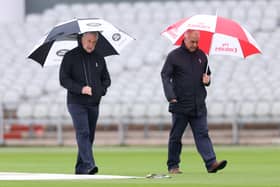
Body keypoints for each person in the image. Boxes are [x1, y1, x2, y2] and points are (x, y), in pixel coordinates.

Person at [161, 30, 227, 174]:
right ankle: (173, 166)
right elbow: (165, 75)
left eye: (197, 42)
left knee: (203, 134)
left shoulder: (202, 56)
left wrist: (208, 80)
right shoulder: (174, 56)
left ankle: (211, 163)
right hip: (180, 103)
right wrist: (170, 96)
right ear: (185, 39)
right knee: (176, 137)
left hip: (199, 104)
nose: (195, 44)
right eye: (192, 42)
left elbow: (207, 74)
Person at [59, 32, 111, 175]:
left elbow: (107, 80)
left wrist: (100, 91)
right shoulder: (70, 56)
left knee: (90, 136)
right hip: (76, 102)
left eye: (94, 42)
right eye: (88, 41)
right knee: (83, 133)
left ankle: (80, 168)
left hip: (94, 103)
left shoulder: (99, 57)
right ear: (81, 39)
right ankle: (89, 165)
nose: (91, 45)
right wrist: (81, 89)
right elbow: (63, 79)